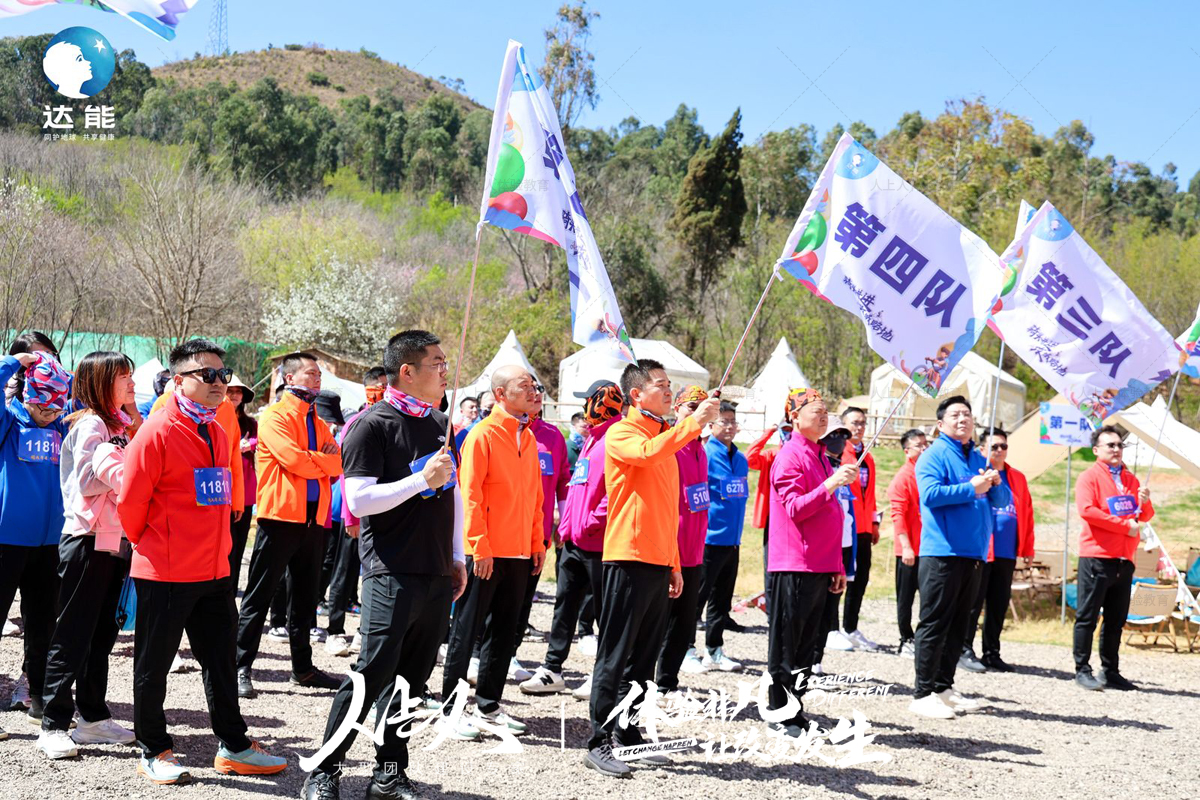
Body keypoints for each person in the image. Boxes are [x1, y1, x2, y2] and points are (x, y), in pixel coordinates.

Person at [300, 330, 467, 800]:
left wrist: (457, 556)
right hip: (389, 569)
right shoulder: (370, 424)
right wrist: (419, 480)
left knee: (411, 681)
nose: (445, 371)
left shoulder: (440, 422)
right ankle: (324, 771)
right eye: (437, 363)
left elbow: (452, 491)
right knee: (370, 674)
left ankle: (388, 773)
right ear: (407, 371)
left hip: (436, 569)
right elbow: (359, 500)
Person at [118, 338, 287, 783]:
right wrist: (152, 546)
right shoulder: (157, 430)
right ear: (178, 381)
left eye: (222, 374)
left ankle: (234, 745)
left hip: (214, 569)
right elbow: (130, 503)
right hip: (166, 569)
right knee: (153, 665)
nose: (219, 382)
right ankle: (154, 748)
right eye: (206, 374)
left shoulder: (216, 428)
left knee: (221, 662)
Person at [584, 360, 719, 778]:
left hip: (659, 560)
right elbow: (645, 455)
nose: (668, 391)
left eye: (669, 384)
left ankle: (628, 732)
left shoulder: (665, 440)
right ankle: (598, 740)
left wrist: (674, 563)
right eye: (661, 385)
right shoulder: (623, 433)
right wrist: (692, 424)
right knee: (615, 652)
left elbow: (666, 510)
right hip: (628, 557)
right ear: (636, 394)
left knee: (644, 658)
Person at [38, 351, 140, 760]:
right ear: (99, 381)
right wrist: (127, 467)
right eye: (122, 376)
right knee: (73, 633)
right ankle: (53, 723)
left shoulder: (119, 424)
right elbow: (87, 480)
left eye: (131, 374)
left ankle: (93, 717)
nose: (131, 382)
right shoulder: (90, 424)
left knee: (101, 636)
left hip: (115, 542)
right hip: (86, 540)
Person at [441, 365, 545, 733]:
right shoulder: (482, 434)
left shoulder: (528, 438)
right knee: (465, 630)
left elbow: (535, 497)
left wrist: (537, 541)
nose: (533, 392)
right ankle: (451, 709)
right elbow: (469, 495)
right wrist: (479, 546)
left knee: (504, 632)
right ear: (500, 394)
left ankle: (488, 705)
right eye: (524, 386)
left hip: (519, 552)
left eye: (533, 386)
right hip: (484, 552)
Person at [235, 353, 342, 699]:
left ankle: (303, 669)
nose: (317, 379)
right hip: (280, 518)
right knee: (259, 595)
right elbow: (294, 460)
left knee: (305, 600)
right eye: (311, 373)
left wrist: (320, 462)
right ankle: (239, 667)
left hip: (314, 520)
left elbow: (338, 465)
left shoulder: (318, 421)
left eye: (319, 374)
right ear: (289, 378)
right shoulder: (275, 416)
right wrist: (322, 461)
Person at [520, 381, 623, 699]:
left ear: (602, 403)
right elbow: (577, 487)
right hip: (574, 543)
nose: (584, 408)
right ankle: (552, 669)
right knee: (563, 608)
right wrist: (566, 527)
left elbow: (616, 491)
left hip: (600, 545)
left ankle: (602, 677)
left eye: (588, 401)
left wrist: (591, 523)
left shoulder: (616, 438)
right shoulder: (591, 439)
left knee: (606, 613)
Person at [909, 395, 1009, 720]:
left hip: (973, 553)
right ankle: (922, 693)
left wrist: (995, 481)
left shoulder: (978, 457)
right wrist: (971, 487)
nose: (963, 419)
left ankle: (943, 687)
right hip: (942, 552)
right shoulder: (933, 455)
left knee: (959, 624)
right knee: (934, 622)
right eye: (955, 415)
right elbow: (930, 495)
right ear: (940, 424)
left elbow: (1001, 500)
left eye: (967, 414)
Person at [762, 389, 855, 737]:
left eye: (825, 410)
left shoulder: (819, 456)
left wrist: (837, 565)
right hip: (795, 564)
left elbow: (832, 516)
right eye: (816, 410)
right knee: (787, 643)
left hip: (819, 564)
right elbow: (795, 508)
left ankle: (795, 709)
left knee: (808, 646)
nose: (823, 416)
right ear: (795, 417)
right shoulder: (790, 456)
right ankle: (778, 712)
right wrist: (831, 483)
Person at [0, 350, 71, 739]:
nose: (48, 412)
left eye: (55, 405)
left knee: (43, 623)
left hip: (49, 543)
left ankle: (40, 699)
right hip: (6, 539)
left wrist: (62, 375)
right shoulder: (8, 421)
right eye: (42, 404)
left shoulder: (61, 425)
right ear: (27, 394)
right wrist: (15, 363)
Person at [1072, 425, 1153, 692]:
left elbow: (1144, 515)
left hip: (1124, 558)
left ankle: (1111, 670)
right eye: (1111, 445)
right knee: (1087, 616)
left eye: (1119, 445)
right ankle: (1082, 669)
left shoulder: (1130, 479)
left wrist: (1145, 501)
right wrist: (1123, 526)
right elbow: (1087, 510)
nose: (1117, 449)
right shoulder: (1089, 477)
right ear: (1096, 450)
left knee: (1116, 619)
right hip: (1097, 555)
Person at [508, 381, 569, 681]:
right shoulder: (501, 431)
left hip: (537, 535)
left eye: (539, 390)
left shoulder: (553, 436)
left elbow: (563, 482)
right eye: (528, 389)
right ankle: (477, 654)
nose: (535, 395)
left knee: (522, 600)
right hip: (504, 533)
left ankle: (509, 653)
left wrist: (563, 519)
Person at [961, 427, 1035, 673]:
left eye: (1004, 446)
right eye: (995, 446)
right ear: (982, 449)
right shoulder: (977, 474)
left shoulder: (1017, 477)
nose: (1000, 450)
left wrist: (1027, 547)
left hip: (1006, 551)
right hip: (982, 549)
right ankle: (964, 648)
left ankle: (992, 652)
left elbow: (1027, 512)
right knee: (974, 602)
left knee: (998, 603)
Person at [656, 386, 712, 687]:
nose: (698, 412)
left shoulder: (700, 448)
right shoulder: (671, 444)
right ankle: (646, 685)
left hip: (695, 550)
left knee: (683, 624)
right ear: (677, 408)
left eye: (703, 406)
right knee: (659, 623)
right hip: (670, 549)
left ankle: (667, 684)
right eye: (691, 406)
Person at [697, 401, 749, 671]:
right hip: (709, 539)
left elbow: (738, 493)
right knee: (696, 598)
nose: (729, 426)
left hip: (732, 540)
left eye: (732, 421)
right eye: (723, 421)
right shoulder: (705, 454)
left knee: (721, 600)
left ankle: (714, 650)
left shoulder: (740, 459)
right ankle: (684, 649)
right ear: (711, 425)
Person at [833, 406, 880, 652]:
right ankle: (831, 628)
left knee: (860, 579)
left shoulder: (867, 457)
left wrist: (874, 523)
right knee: (838, 579)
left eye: (862, 423)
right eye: (854, 423)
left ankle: (850, 627)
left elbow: (869, 494)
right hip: (843, 528)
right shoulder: (840, 453)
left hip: (863, 528)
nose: (859, 427)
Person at [812, 417, 857, 677]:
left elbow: (848, 512)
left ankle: (817, 660)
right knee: (815, 606)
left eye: (842, 435)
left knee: (831, 605)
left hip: (844, 544)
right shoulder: (818, 467)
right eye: (833, 435)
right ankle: (805, 661)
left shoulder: (845, 469)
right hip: (823, 546)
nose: (838, 440)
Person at [887, 428, 927, 658]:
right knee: (906, 597)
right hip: (910, 548)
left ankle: (924, 638)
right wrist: (906, 546)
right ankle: (906, 638)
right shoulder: (904, 477)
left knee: (929, 596)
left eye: (925, 444)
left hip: (929, 547)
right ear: (906, 450)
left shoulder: (927, 472)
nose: (924, 449)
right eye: (918, 446)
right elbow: (898, 514)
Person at [226, 374, 257, 594]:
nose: (235, 395)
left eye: (238, 392)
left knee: (239, 541)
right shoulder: (215, 417)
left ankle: (233, 585)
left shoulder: (250, 423)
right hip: (223, 490)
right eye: (231, 391)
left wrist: (247, 444)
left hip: (245, 488)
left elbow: (257, 438)